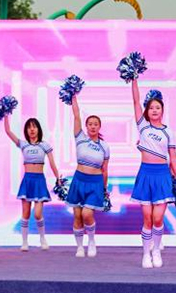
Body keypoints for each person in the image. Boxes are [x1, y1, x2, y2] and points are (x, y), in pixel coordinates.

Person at [130, 79, 176, 268]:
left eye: (158, 108)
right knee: (147, 218)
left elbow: (173, 157)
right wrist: (134, 78)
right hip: (146, 174)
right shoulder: (143, 127)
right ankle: (146, 254)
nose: (154, 110)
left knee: (158, 218)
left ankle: (156, 251)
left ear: (162, 110)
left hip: (162, 176)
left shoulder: (169, 132)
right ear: (147, 110)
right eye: (151, 108)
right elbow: (135, 101)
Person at [3, 115, 60, 251]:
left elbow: (52, 163)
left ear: (38, 129)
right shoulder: (23, 144)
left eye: (34, 127)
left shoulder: (45, 145)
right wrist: (5, 115)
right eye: (29, 127)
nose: (32, 130)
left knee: (38, 214)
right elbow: (8, 131)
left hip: (39, 181)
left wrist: (58, 178)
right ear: (26, 131)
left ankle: (42, 238)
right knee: (26, 213)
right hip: (27, 181)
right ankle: (24, 242)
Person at [66, 93, 110, 258]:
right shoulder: (80, 138)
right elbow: (76, 115)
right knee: (77, 216)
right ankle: (79, 247)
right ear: (86, 126)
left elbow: (105, 170)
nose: (92, 126)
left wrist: (104, 189)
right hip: (79, 180)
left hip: (95, 183)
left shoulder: (104, 146)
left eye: (95, 124)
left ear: (99, 127)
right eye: (90, 124)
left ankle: (91, 241)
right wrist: (73, 97)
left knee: (87, 214)